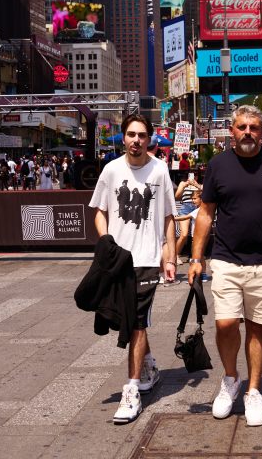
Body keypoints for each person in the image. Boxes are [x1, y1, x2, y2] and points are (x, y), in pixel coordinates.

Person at [188, 106, 262, 427]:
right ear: (231, 130)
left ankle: (253, 390)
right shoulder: (218, 165)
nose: (247, 132)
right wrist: (196, 258)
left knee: (257, 326)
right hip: (225, 258)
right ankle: (231, 379)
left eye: (253, 127)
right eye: (241, 127)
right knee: (225, 324)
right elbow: (206, 213)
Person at [89, 114, 178, 424]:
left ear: (149, 139)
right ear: (123, 138)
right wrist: (107, 242)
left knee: (137, 322)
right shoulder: (111, 170)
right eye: (131, 134)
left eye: (142, 135)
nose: (136, 140)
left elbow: (168, 216)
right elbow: (99, 211)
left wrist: (170, 256)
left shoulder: (160, 169)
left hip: (147, 259)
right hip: (118, 260)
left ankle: (132, 389)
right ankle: (150, 366)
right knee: (129, 316)